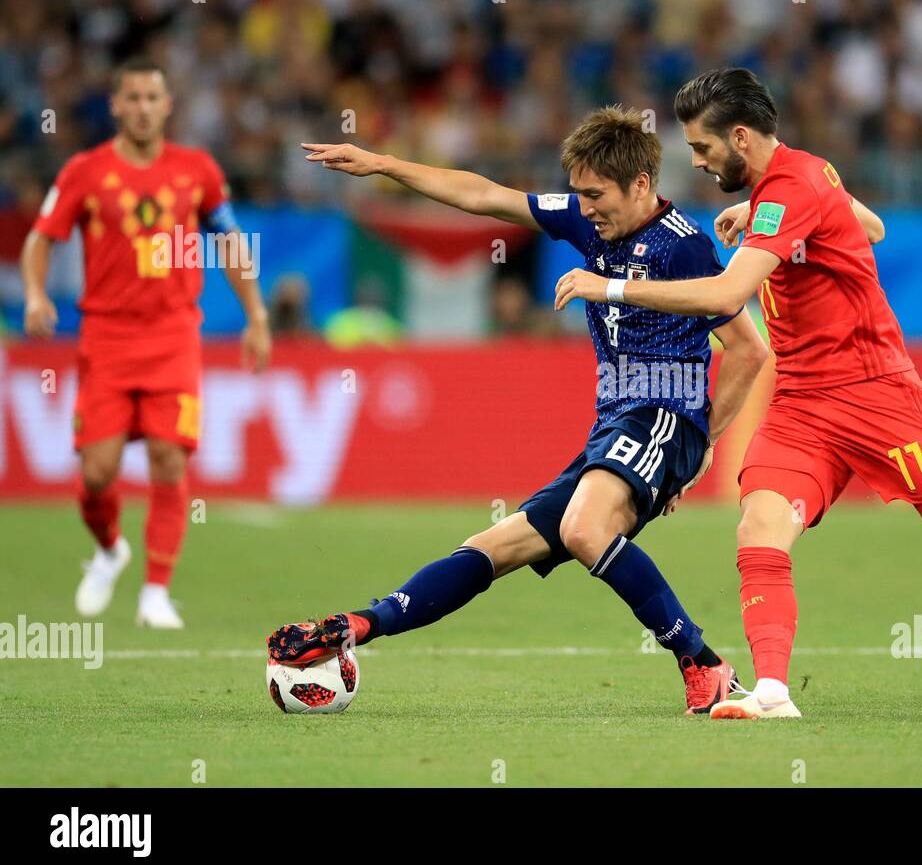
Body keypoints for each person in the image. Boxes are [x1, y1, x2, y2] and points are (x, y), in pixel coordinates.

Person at [554, 69, 922, 719]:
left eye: (703, 149)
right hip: (802, 403)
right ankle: (772, 692)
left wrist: (609, 287)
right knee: (760, 530)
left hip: (877, 396)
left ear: (739, 137)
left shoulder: (792, 187)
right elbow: (869, 226)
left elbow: (724, 296)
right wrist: (768, 222)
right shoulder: (800, 181)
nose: (698, 163)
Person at [268, 107, 775, 713]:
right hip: (614, 429)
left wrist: (698, 446)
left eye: (595, 195)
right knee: (493, 547)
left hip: (665, 414)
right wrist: (383, 165)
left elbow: (749, 351)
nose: (584, 208)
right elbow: (482, 194)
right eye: (579, 194)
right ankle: (359, 626)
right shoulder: (591, 224)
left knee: (585, 529)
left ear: (641, 186)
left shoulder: (683, 248)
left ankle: (702, 663)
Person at [20, 56, 271, 628]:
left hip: (174, 335)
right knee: (98, 474)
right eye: (130, 97)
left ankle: (156, 591)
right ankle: (110, 549)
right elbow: (41, 238)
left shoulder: (198, 170)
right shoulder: (84, 171)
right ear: (115, 105)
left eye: (151, 97)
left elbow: (230, 242)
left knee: (167, 458)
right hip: (106, 337)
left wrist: (256, 315)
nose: (141, 108)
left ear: (168, 105)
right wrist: (36, 294)